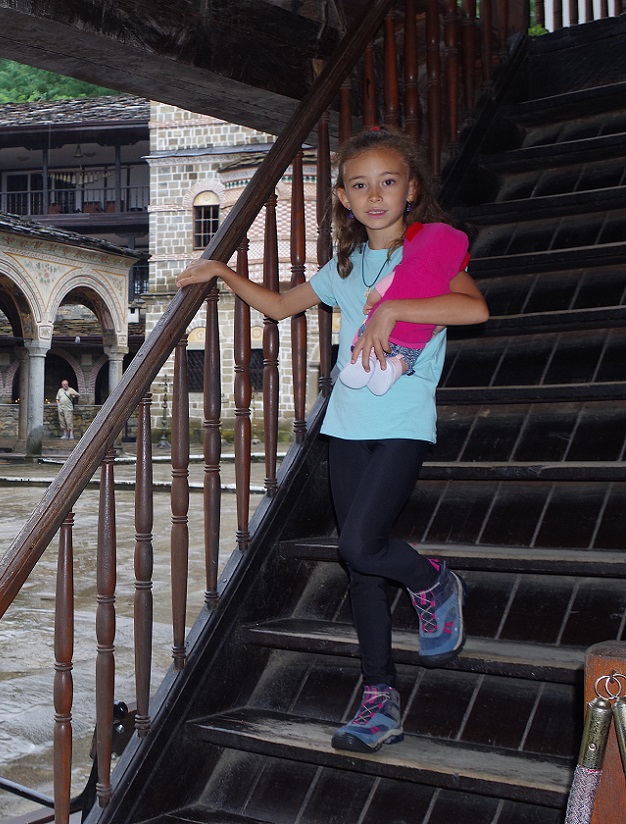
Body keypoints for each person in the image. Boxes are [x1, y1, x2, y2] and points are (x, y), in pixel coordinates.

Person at [176, 128, 488, 754]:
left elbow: (473, 311)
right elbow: (281, 305)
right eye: (360, 185)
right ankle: (380, 699)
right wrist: (219, 271)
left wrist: (394, 310)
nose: (375, 195)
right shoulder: (345, 265)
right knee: (360, 567)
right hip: (345, 426)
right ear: (344, 198)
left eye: (389, 182)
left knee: (360, 543)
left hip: (400, 423)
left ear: (412, 191)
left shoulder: (428, 254)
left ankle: (432, 582)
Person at [339, 220, 469, 395]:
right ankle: (394, 368)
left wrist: (370, 303)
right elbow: (443, 318)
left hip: (381, 333)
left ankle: (365, 359)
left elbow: (379, 290)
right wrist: (435, 330)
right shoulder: (445, 288)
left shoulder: (404, 271)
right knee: (406, 358)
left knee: (367, 340)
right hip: (413, 341)